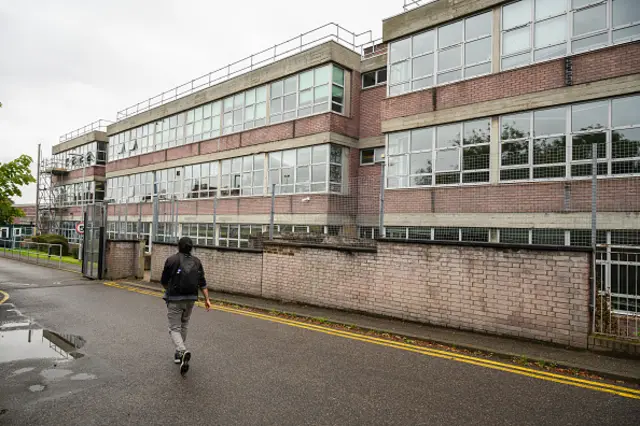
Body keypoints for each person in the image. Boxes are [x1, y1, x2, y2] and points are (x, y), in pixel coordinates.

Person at [161, 236, 211, 375]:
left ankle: (182, 351)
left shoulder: (171, 260)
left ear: (179, 246)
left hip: (175, 298)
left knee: (174, 328)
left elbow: (164, 280)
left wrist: (168, 290)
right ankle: (179, 355)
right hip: (191, 299)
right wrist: (207, 299)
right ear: (191, 247)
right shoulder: (197, 261)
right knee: (184, 324)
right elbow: (202, 283)